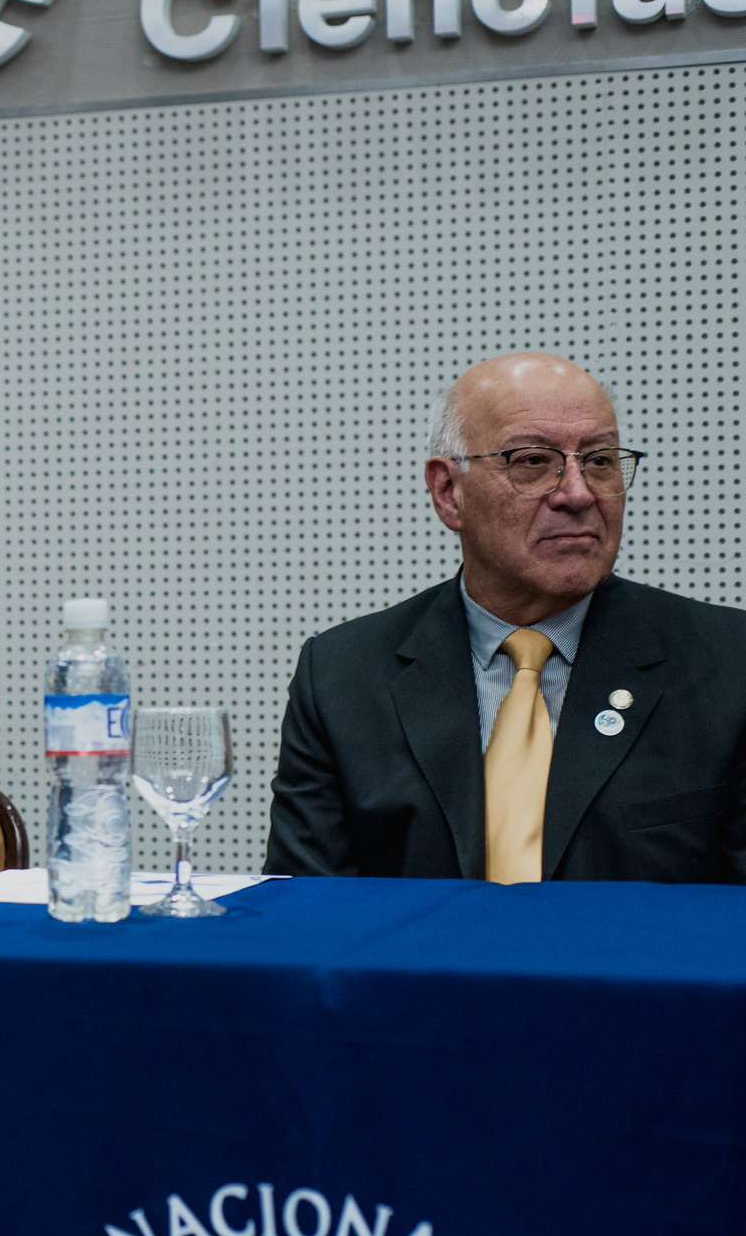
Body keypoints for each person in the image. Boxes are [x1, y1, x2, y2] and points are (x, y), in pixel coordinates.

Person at [265, 352, 746, 883]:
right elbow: (306, 917)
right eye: (533, 461)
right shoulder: (341, 678)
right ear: (449, 493)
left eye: (600, 460)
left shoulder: (729, 665)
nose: (578, 493)